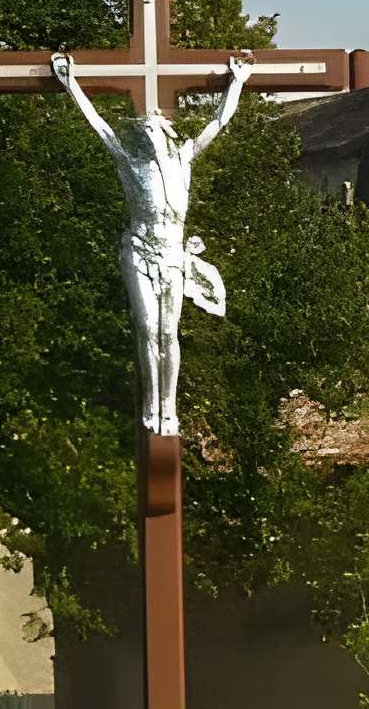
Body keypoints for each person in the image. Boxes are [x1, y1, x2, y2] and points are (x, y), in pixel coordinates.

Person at [50, 53, 254, 435]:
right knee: (146, 327)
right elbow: (100, 127)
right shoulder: (131, 164)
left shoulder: (185, 159)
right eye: (144, 129)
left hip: (173, 256)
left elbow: (218, 121)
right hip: (141, 253)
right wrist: (71, 84)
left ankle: (168, 406)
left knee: (167, 333)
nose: (149, 132)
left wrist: (237, 82)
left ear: (166, 133)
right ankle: (150, 405)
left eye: (155, 128)